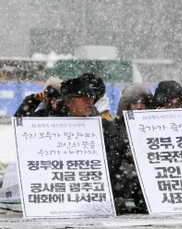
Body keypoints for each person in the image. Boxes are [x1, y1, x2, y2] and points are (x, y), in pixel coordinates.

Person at [50, 75, 126, 214]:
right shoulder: (49, 123)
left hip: (96, 181)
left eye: (91, 96)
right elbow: (23, 133)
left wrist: (93, 174)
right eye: (84, 97)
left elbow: (114, 154)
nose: (90, 100)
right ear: (68, 101)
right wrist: (31, 101)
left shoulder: (104, 125)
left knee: (121, 181)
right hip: (60, 181)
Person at [113, 83, 155, 211]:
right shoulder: (115, 127)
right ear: (126, 105)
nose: (139, 107)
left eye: (143, 103)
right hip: (127, 173)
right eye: (134, 103)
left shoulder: (156, 126)